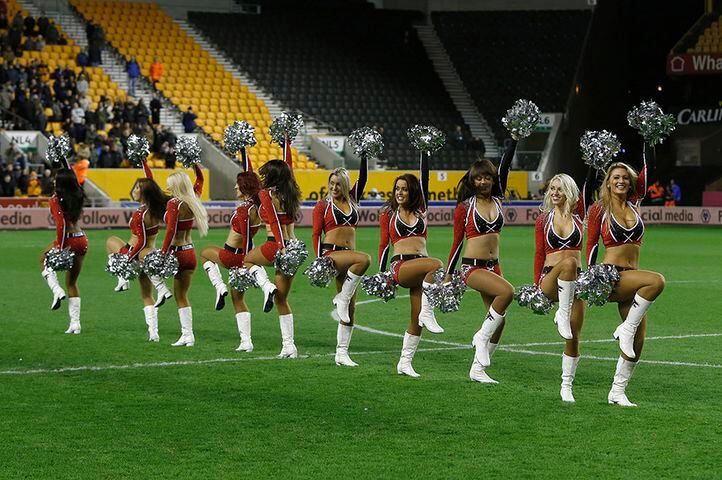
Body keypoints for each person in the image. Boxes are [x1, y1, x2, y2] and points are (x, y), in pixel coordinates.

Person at [586, 145, 666, 407]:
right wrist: (590, 276)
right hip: (611, 276)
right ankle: (625, 327)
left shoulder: (635, 203)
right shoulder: (600, 209)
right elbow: (592, 245)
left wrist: (649, 138)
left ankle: (617, 391)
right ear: (608, 183)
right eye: (615, 178)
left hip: (632, 278)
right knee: (656, 280)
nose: (620, 181)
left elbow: (648, 170)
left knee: (638, 340)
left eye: (625, 178)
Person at [445, 137, 518, 383]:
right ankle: (479, 338)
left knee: (500, 322)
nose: (483, 181)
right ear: (472, 181)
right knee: (507, 292)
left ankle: (478, 368)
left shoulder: (498, 200)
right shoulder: (464, 207)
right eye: (478, 178)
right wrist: (448, 273)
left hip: (493, 266)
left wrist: (514, 141)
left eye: (487, 177)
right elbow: (456, 243)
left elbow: (505, 166)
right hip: (471, 267)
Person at [378, 152, 444, 377]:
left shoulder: (421, 211)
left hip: (420, 269)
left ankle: (404, 363)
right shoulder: (389, 214)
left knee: (416, 319)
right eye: (397, 189)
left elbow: (424, 179)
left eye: (404, 189)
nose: (400, 192)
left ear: (412, 191)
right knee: (437, 263)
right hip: (402, 267)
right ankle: (429, 311)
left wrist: (425, 152)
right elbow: (384, 246)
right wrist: (381, 275)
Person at [533, 171, 594, 401]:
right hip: (550, 278)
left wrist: (592, 164)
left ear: (568, 192)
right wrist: (535, 285)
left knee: (573, 336)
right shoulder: (543, 220)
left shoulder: (579, 216)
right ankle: (562, 312)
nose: (555, 193)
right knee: (568, 262)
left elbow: (588, 185)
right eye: (552, 189)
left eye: (560, 189)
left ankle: (566, 385)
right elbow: (539, 254)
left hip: (576, 282)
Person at [242, 150, 302, 358]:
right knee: (282, 299)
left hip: (277, 245)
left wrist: (279, 246)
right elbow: (289, 167)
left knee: (248, 260)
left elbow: (275, 222)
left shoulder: (266, 194)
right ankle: (289, 347)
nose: (263, 177)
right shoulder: (291, 192)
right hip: (294, 247)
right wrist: (286, 141)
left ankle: (266, 286)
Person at [311, 154, 370, 366]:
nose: (334, 187)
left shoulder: (352, 199)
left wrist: (364, 155)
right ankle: (342, 298)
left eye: (338, 184)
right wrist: (320, 261)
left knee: (351, 308)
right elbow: (316, 234)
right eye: (331, 184)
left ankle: (341, 353)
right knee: (365, 259)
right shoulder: (323, 206)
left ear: (344, 185)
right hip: (332, 255)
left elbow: (362, 179)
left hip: (349, 258)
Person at [200, 156, 262, 351]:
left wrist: (247, 262)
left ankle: (219, 287)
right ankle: (246, 341)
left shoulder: (245, 209)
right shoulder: (258, 207)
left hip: (232, 256)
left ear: (244, 188)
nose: (235, 188)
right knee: (238, 299)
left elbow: (246, 238)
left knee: (205, 253)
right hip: (243, 257)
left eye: (238, 185)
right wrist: (245, 152)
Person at [105, 159, 168, 341]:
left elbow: (140, 241)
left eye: (137, 188)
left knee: (110, 241)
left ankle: (122, 278)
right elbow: (151, 180)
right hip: (147, 256)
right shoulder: (154, 210)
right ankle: (153, 332)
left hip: (135, 253)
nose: (133, 190)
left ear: (145, 192)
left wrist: (127, 260)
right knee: (147, 295)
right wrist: (144, 162)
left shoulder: (142, 213)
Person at [159, 164, 208, 346]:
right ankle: (188, 336)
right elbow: (200, 179)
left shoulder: (174, 204)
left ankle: (187, 334)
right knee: (183, 295)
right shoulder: (193, 199)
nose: (168, 187)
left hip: (177, 253)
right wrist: (194, 163)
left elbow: (170, 231)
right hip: (190, 253)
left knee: (178, 295)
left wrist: (163, 254)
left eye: (170, 184)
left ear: (177, 186)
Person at [40, 162, 87, 334]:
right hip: (82, 240)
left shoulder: (54, 199)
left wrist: (59, 248)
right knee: (72, 282)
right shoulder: (78, 194)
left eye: (55, 179)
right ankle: (75, 324)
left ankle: (57, 291)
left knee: (42, 259)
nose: (53, 181)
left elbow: (60, 225)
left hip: (67, 240)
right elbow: (72, 177)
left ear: (59, 183)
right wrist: (63, 159)